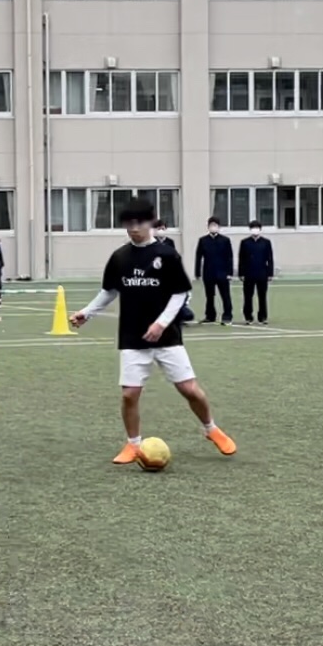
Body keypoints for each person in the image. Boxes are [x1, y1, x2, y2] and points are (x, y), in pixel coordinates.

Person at [68, 197, 238, 464]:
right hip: (132, 336)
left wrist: (161, 323)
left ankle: (211, 429)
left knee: (190, 389)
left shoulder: (167, 255)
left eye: (139, 223)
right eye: (129, 224)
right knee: (129, 394)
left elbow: (180, 292)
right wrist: (86, 313)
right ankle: (133, 444)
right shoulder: (119, 257)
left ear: (150, 223)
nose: (134, 229)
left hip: (167, 337)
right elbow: (109, 291)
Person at [194, 218, 235, 325]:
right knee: (209, 296)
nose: (213, 227)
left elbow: (229, 257)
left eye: (215, 225)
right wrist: (197, 272)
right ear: (208, 227)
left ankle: (227, 316)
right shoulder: (203, 240)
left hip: (223, 273)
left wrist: (230, 273)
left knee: (225, 295)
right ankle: (210, 316)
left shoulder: (225, 240)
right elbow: (198, 257)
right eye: (211, 225)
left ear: (219, 227)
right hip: (208, 272)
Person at [239, 221, 274, 325]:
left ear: (260, 229)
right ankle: (248, 317)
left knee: (262, 296)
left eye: (257, 228)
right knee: (248, 296)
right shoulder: (245, 242)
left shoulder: (266, 242)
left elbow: (270, 258)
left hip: (262, 273)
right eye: (253, 228)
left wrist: (270, 273)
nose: (255, 230)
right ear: (250, 229)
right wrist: (241, 273)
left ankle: (262, 317)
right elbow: (241, 259)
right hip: (248, 273)